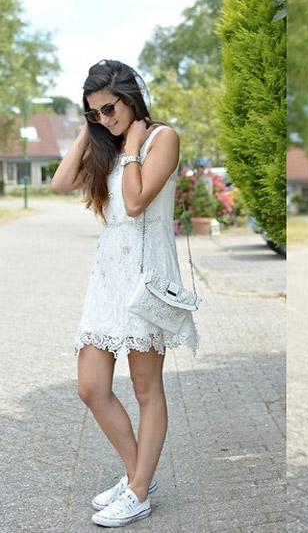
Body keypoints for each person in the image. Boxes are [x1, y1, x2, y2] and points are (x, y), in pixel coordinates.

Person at [52, 59, 198, 527]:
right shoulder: (108, 143)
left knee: (145, 387)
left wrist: (133, 145)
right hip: (107, 278)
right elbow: (59, 183)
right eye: (95, 113)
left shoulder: (162, 139)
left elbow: (136, 204)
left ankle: (138, 491)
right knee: (91, 386)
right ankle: (140, 473)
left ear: (131, 97)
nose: (105, 120)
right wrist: (90, 132)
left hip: (145, 276)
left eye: (109, 108)